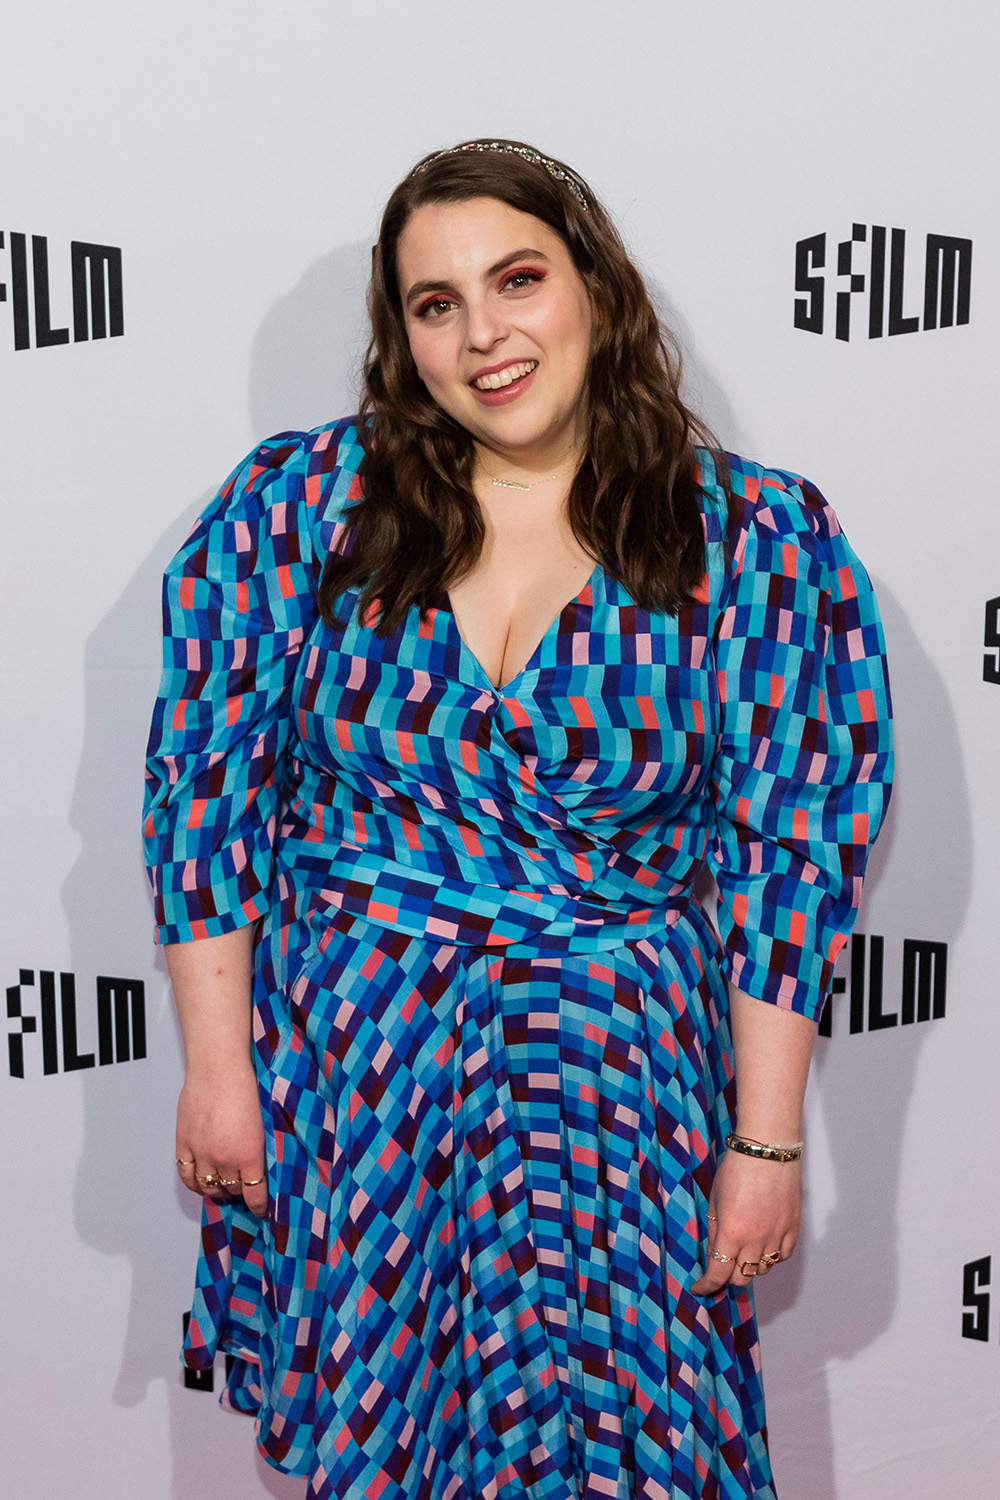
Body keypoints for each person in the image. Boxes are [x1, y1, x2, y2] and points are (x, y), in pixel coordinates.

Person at [142, 138, 893, 1500]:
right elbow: (205, 792)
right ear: (404, 339)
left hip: (623, 1089)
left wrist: (766, 1143)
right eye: (437, 305)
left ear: (594, 287)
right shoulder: (301, 514)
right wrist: (218, 1069)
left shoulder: (753, 540)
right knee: (391, 1449)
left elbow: (794, 860)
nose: (484, 334)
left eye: (517, 279)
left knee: (635, 1448)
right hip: (360, 1071)